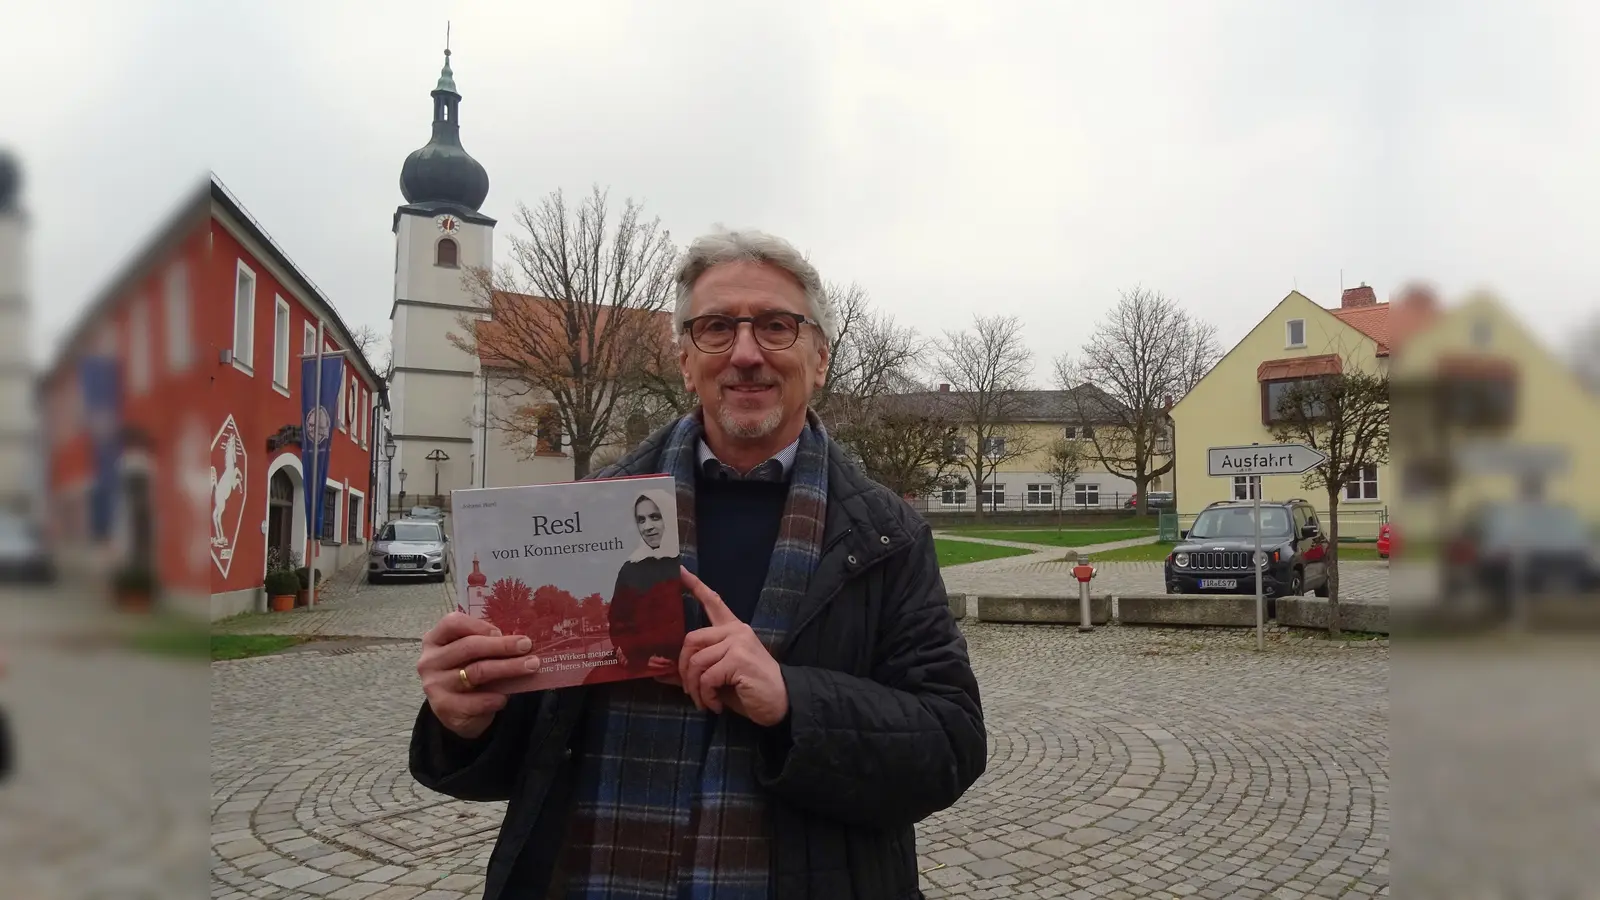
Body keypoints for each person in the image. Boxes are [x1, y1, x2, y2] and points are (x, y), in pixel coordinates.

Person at [410, 228, 986, 900]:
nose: (746, 353)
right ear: (686, 361)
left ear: (820, 358)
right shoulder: (588, 518)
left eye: (776, 325)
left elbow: (950, 745)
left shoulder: (887, 535)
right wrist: (466, 720)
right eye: (716, 328)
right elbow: (530, 759)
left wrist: (793, 701)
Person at [604, 493, 681, 676]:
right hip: (643, 672)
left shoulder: (688, 560)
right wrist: (633, 655)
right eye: (641, 520)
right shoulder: (630, 568)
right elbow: (618, 622)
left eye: (655, 517)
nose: (647, 527)